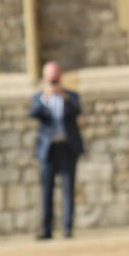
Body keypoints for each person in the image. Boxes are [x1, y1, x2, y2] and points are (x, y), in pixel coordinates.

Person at [28, 60, 84, 240]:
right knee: (46, 191)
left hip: (67, 149)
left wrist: (63, 96)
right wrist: (46, 96)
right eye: (50, 76)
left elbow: (77, 110)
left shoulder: (70, 95)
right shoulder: (39, 97)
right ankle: (46, 229)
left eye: (55, 75)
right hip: (48, 150)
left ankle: (67, 228)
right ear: (45, 77)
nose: (53, 79)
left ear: (59, 76)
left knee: (68, 189)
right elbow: (33, 112)